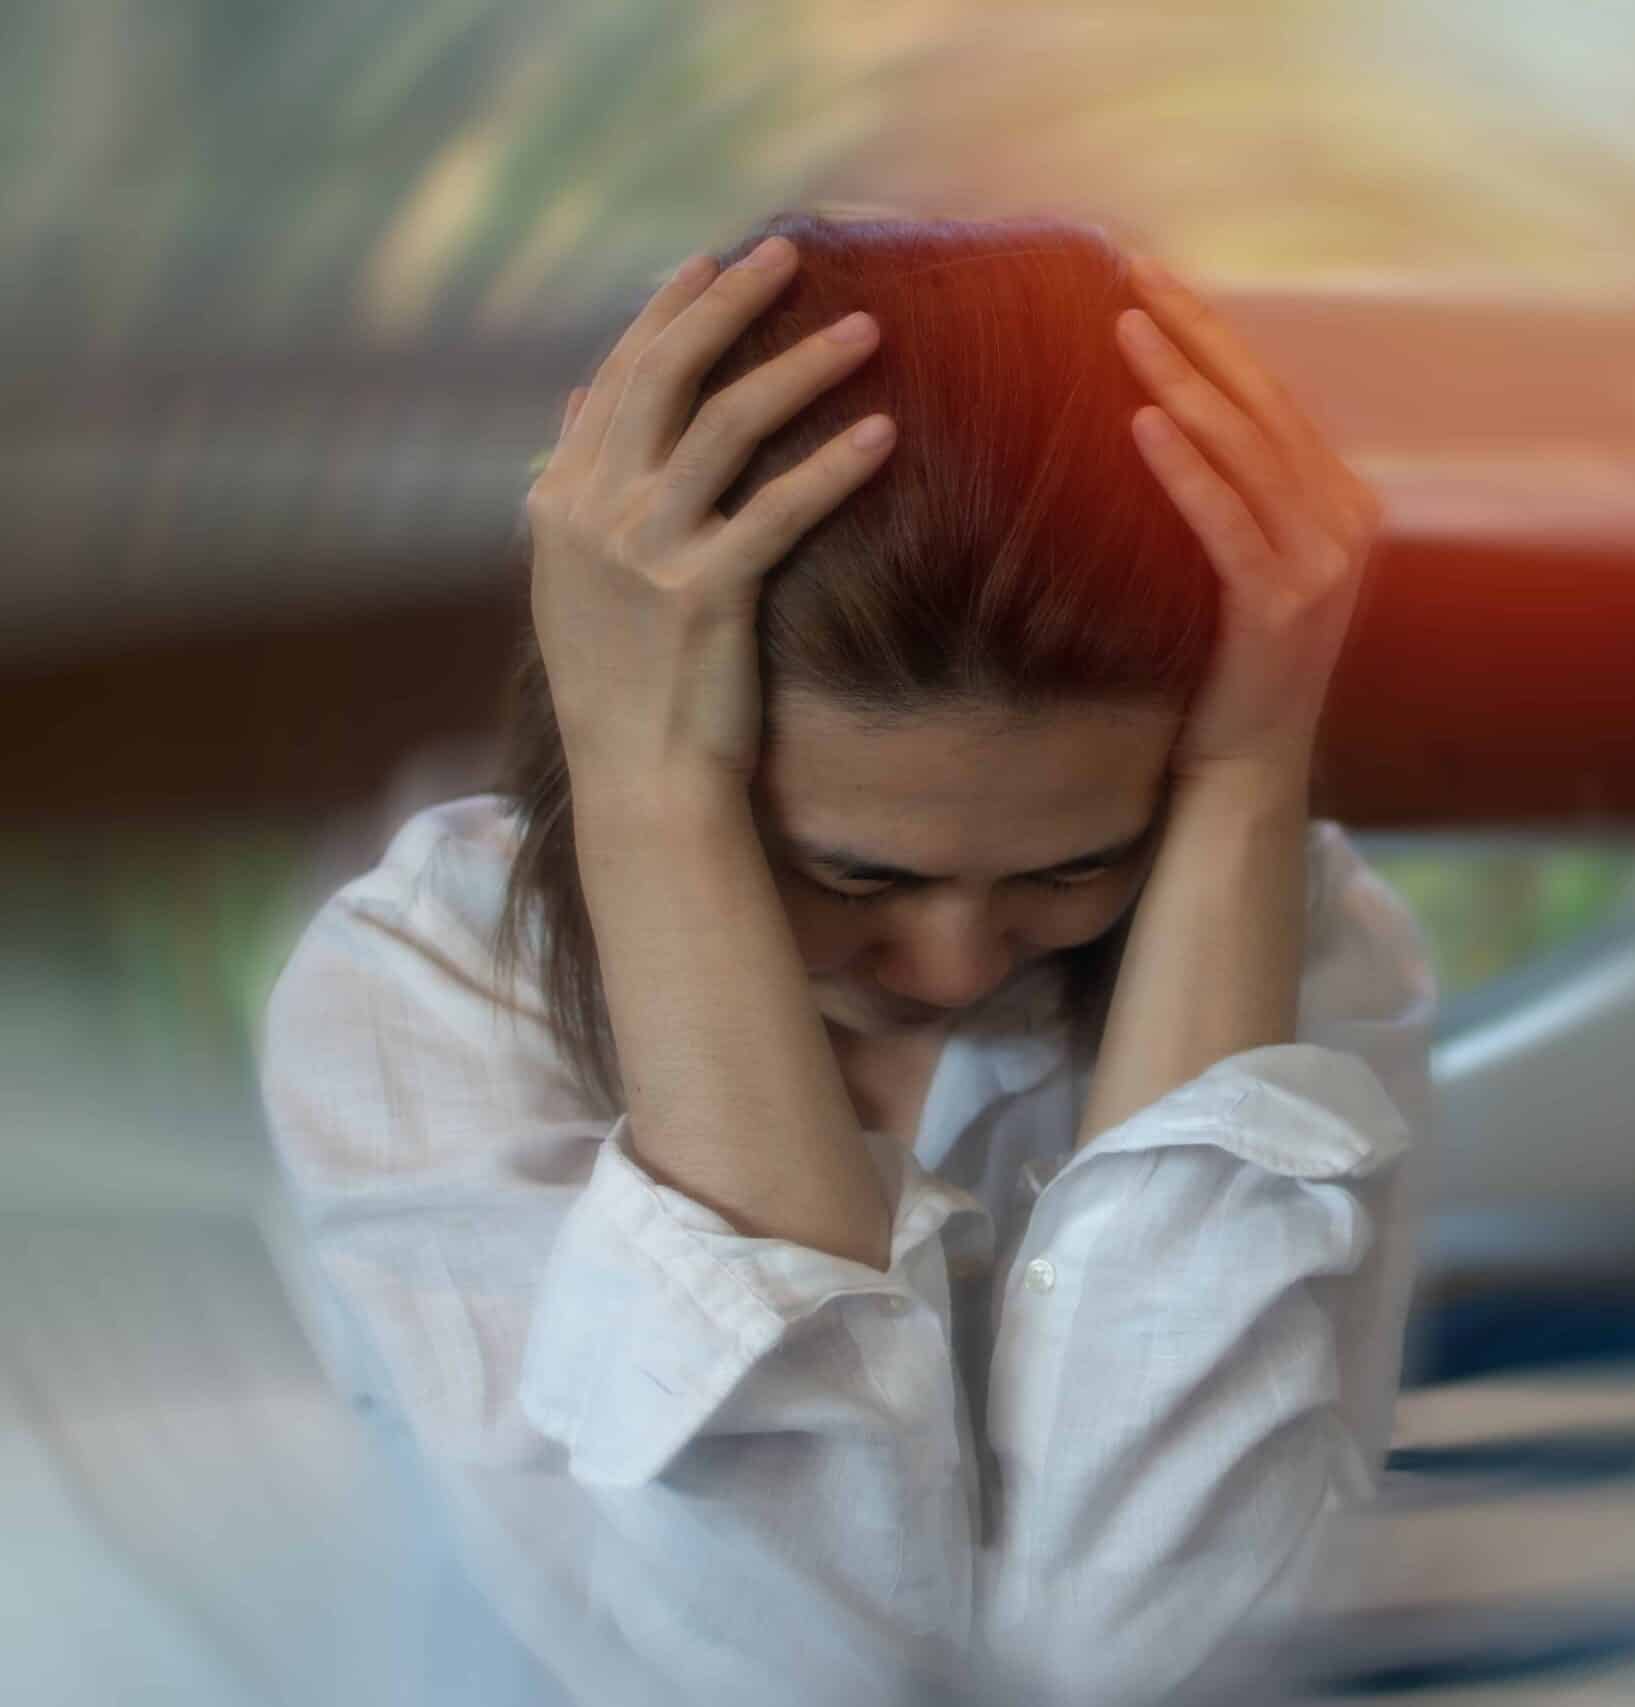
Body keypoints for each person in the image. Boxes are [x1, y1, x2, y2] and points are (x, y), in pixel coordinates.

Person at [258, 213, 1434, 1707]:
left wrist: (1255, 771)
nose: (952, 966)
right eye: (850, 871)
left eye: (1079, 863)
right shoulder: (419, 992)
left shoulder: (1301, 931)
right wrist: (648, 796)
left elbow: (1170, 1664)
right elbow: (791, 1680)